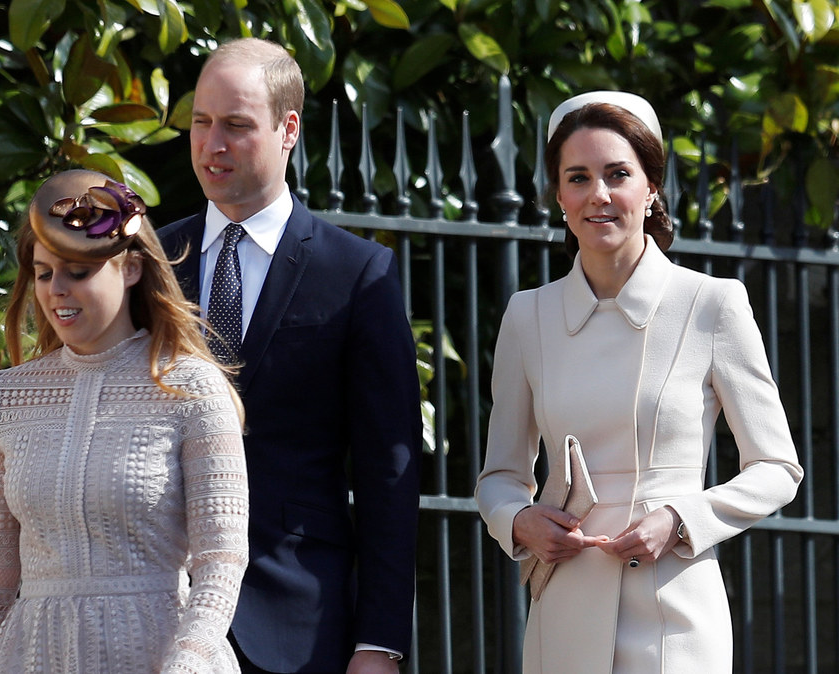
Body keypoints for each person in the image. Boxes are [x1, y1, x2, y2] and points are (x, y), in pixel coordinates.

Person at [475, 92, 804, 673]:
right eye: (578, 177)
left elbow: (778, 469)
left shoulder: (712, 305)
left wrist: (680, 520)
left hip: (676, 618)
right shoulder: (528, 317)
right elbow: (500, 476)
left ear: (652, 186)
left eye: (618, 174)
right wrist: (520, 522)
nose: (598, 195)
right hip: (563, 620)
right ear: (559, 195)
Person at [157, 38, 422, 673]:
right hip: (159, 615)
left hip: (296, 624)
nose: (212, 144)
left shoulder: (357, 273)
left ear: (288, 130)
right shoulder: (152, 264)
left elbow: (389, 468)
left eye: (237, 126)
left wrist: (378, 641)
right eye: (200, 123)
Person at [0, 169, 249, 674]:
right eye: (42, 273)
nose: (56, 290)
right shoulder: (7, 397)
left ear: (129, 268)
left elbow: (222, 559)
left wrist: (187, 664)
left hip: (158, 656)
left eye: (77, 272)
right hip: (32, 657)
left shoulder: (192, 386)